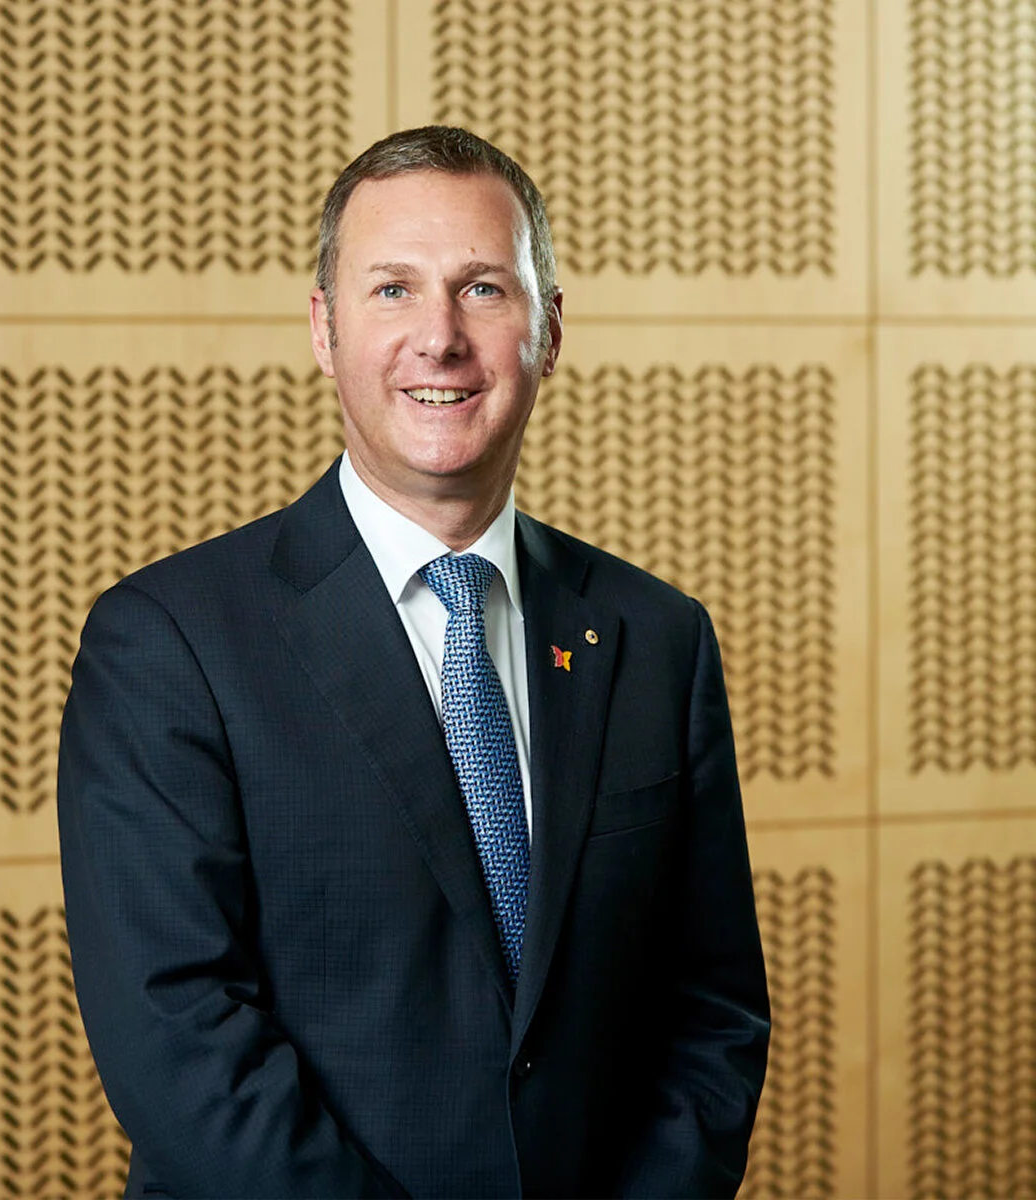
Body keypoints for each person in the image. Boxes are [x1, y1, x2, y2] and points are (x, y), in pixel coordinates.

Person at [58, 125, 770, 1199]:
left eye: (482, 289)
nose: (439, 338)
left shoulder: (657, 636)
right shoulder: (167, 642)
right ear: (324, 328)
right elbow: (181, 1048)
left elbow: (712, 1012)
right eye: (393, 289)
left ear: (550, 330)